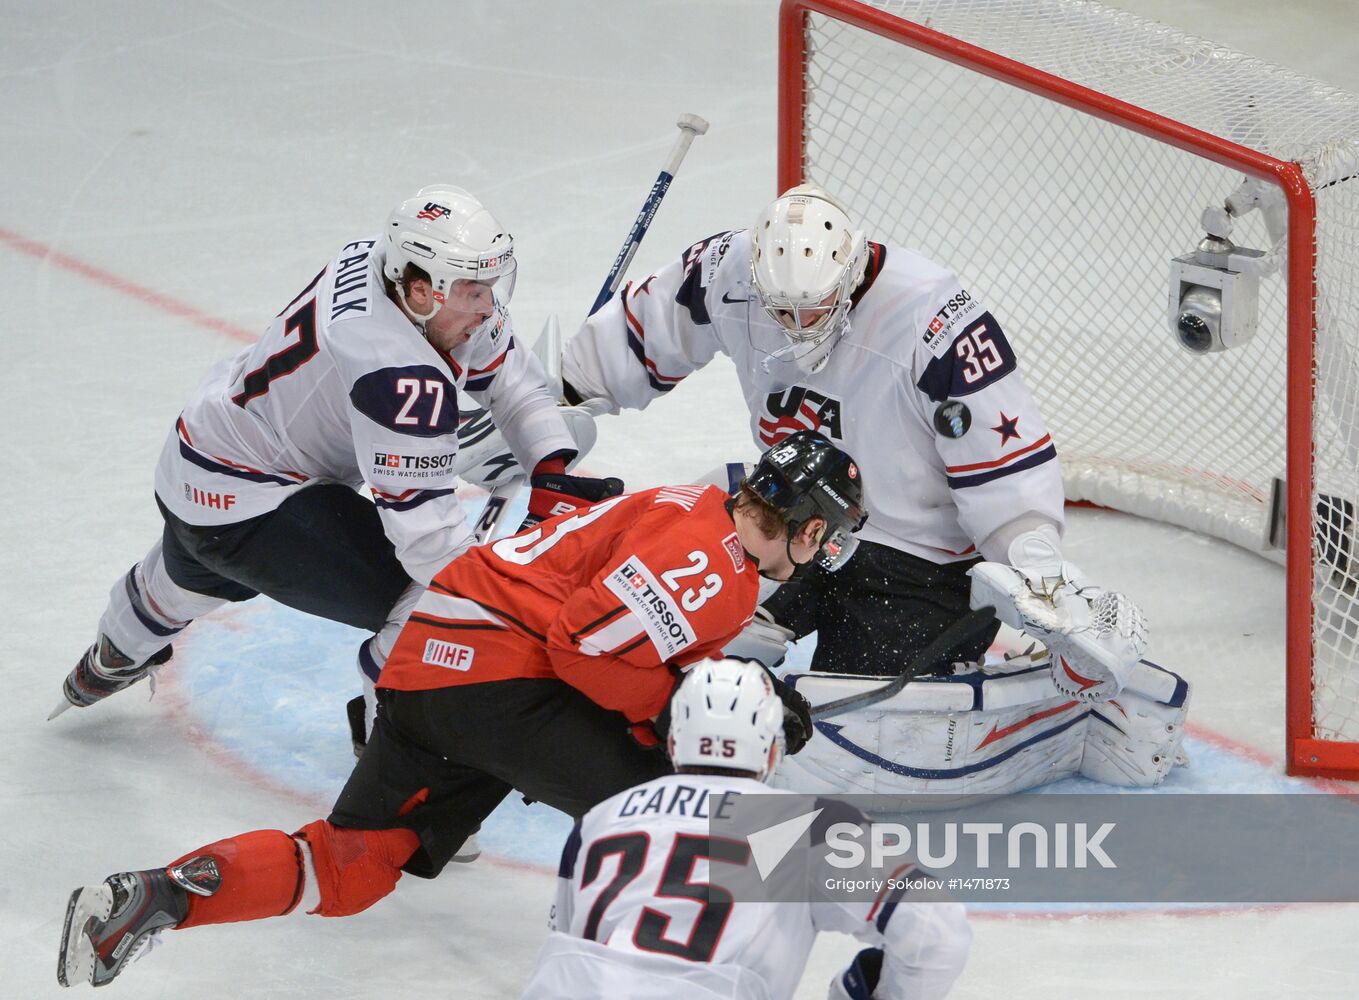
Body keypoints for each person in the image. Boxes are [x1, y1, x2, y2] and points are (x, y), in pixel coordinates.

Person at [55, 433, 867, 990]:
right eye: (829, 539)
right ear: (811, 527)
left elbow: (633, 635)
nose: (827, 556)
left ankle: (165, 895)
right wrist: (684, 712)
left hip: (433, 667)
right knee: (683, 805)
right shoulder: (714, 565)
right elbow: (584, 649)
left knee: (355, 861)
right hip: (503, 679)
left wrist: (721, 684)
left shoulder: (692, 514)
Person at [52, 184, 619, 729]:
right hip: (250, 501)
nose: (488, 306)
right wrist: (516, 587)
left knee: (191, 566)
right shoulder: (396, 373)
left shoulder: (386, 264)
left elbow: (514, 382)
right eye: (475, 291)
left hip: (203, 454)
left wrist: (551, 470)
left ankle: (112, 654)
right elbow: (433, 549)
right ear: (422, 291)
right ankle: (388, 745)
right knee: (440, 605)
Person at [561, 184, 1147, 705]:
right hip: (788, 510)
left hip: (917, 557)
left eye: (812, 307)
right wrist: (559, 406)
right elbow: (648, 326)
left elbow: (1004, 467)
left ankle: (980, 650)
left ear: (848, 275)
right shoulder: (730, 269)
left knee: (861, 707)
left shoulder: (933, 320)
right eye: (779, 310)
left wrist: (1036, 571)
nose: (796, 325)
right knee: (695, 640)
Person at [520, 657, 972, 1000]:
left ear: (674, 743)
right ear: (772, 753)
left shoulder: (602, 817)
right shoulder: (806, 826)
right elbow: (935, 928)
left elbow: (570, 939)